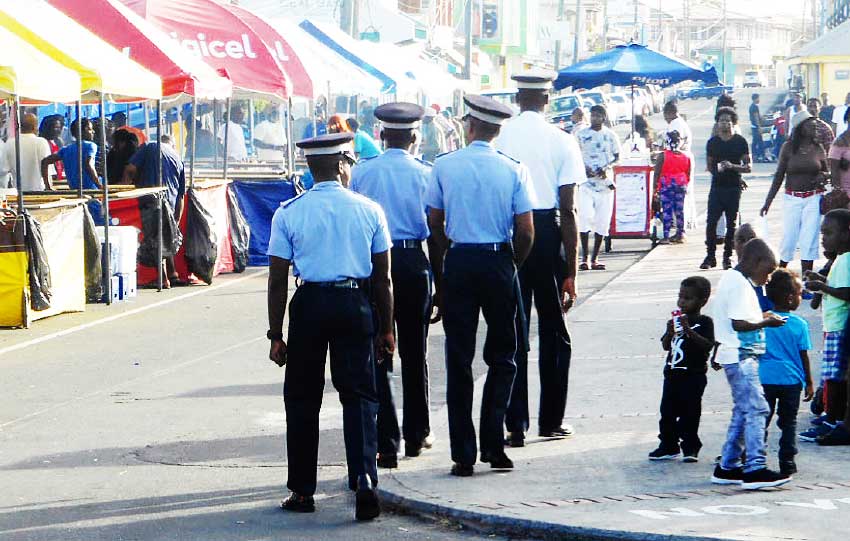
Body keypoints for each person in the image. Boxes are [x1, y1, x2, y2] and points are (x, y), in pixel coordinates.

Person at [267, 132, 393, 521]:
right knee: (359, 395)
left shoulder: (289, 211)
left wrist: (276, 334)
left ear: (310, 166)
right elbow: (383, 278)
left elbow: (276, 278)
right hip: (354, 302)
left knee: (303, 397)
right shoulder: (369, 210)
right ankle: (364, 479)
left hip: (308, 304)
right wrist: (387, 329)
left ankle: (303, 491)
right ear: (341, 164)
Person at [426, 95, 534, 477]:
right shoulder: (513, 169)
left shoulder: (444, 166)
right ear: (497, 130)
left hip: (460, 260)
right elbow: (525, 231)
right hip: (497, 260)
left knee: (459, 360)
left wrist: (448, 258)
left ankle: (463, 454)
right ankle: (494, 444)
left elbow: (434, 224)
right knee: (504, 356)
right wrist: (510, 264)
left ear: (469, 126)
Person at [495, 69, 586, 447]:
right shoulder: (562, 140)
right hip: (547, 233)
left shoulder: (500, 136)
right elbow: (569, 209)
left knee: (513, 332)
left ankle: (515, 424)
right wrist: (571, 271)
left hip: (509, 234)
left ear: (518, 99)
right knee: (554, 333)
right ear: (547, 100)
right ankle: (551, 421)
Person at [349, 102, 436, 467]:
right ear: (415, 137)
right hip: (413, 259)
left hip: (373, 264)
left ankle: (388, 440)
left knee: (379, 352)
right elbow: (436, 226)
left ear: (382, 135)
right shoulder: (425, 173)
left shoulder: (362, 173)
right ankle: (417, 434)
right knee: (415, 350)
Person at [710, 238, 791, 489]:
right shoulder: (740, 286)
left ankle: (728, 466)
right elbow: (738, 324)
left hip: (737, 355)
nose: (768, 278)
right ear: (756, 261)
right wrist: (766, 323)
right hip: (740, 356)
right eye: (768, 271)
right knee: (757, 409)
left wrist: (761, 316)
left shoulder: (736, 280)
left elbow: (742, 317)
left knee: (743, 410)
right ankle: (755, 468)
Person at [649, 276, 714, 461]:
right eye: (680, 297)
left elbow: (707, 345)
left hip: (693, 376)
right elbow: (665, 346)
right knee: (667, 412)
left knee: (690, 413)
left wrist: (689, 331)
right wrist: (670, 333)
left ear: (702, 301)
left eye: (688, 298)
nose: (682, 302)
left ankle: (690, 446)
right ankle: (668, 445)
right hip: (672, 374)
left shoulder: (705, 322)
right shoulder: (675, 321)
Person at [759, 268, 813, 475]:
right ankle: (787, 460)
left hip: (765, 378)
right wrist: (809, 382)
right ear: (790, 298)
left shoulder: (763, 320)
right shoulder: (799, 324)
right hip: (791, 381)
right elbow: (803, 355)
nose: (800, 298)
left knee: (762, 419)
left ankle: (757, 456)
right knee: (788, 422)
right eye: (799, 294)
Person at [802, 209, 850, 441]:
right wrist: (821, 281)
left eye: (829, 233)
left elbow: (847, 292)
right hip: (832, 326)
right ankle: (831, 416)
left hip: (840, 327)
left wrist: (822, 288)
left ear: (846, 234)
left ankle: (833, 418)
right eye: (822, 233)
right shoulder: (839, 259)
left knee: (835, 376)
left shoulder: (848, 259)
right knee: (831, 374)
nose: (824, 238)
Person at [760, 117, 827, 280]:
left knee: (809, 239)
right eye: (812, 126)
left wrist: (823, 177)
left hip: (813, 198)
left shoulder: (819, 149)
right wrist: (767, 202)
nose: (816, 129)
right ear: (801, 127)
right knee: (789, 238)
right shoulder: (788, 148)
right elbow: (779, 176)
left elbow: (826, 173)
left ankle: (806, 279)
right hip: (792, 199)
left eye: (817, 126)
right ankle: (779, 275)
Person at [123, 134, 187, 287]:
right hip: (170, 202)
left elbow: (130, 168)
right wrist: (177, 218)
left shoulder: (150, 146)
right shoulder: (178, 158)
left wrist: (125, 186)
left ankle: (162, 279)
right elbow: (181, 195)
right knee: (166, 237)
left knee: (155, 239)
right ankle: (173, 274)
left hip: (152, 199)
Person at [702, 107, 750, 270]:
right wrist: (717, 169)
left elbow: (748, 166)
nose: (724, 124)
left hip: (733, 187)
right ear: (717, 123)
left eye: (728, 121)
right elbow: (709, 166)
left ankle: (727, 256)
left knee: (732, 223)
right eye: (721, 121)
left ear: (733, 123)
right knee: (711, 222)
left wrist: (733, 166)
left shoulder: (740, 142)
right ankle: (710, 256)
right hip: (717, 187)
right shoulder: (713, 143)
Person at [576, 105, 620, 270]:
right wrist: (583, 168)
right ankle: (584, 258)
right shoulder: (581, 135)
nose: (594, 118)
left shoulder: (610, 136)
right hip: (586, 184)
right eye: (592, 115)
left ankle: (595, 258)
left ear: (603, 117)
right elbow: (574, 155)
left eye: (597, 116)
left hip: (605, 184)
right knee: (585, 217)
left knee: (602, 221)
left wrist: (607, 167)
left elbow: (618, 157)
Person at [653, 130, 692, 244]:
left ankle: (666, 236)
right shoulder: (685, 157)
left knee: (667, 211)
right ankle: (680, 234)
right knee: (679, 210)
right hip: (681, 184)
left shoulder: (663, 156)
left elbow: (657, 173)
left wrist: (655, 188)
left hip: (667, 185)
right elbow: (688, 173)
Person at [41, 118, 100, 191]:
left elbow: (45, 162)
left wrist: (48, 186)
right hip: (91, 191)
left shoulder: (66, 149)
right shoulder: (91, 145)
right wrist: (99, 185)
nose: (93, 132)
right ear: (84, 131)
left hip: (74, 191)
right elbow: (88, 164)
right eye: (90, 129)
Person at [6, 113, 53, 192]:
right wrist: (48, 187)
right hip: (39, 191)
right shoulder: (42, 142)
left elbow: (6, 171)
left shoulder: (10, 143)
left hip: (16, 192)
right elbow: (47, 170)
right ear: (34, 127)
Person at [829, 108, 850, 198]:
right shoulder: (840, 142)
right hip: (846, 191)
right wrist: (839, 194)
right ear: (848, 118)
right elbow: (834, 171)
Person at [38, 115, 65, 181]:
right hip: (48, 178)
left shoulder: (58, 141)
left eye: (60, 127)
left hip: (58, 177)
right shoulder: (42, 142)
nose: (59, 130)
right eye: (56, 127)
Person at [749, 94, 767, 162]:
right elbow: (756, 117)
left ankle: (757, 155)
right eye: (758, 98)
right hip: (756, 127)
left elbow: (758, 116)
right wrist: (759, 127)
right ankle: (758, 156)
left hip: (754, 126)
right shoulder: (754, 107)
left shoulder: (753, 106)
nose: (759, 100)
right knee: (758, 142)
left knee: (757, 141)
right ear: (755, 99)